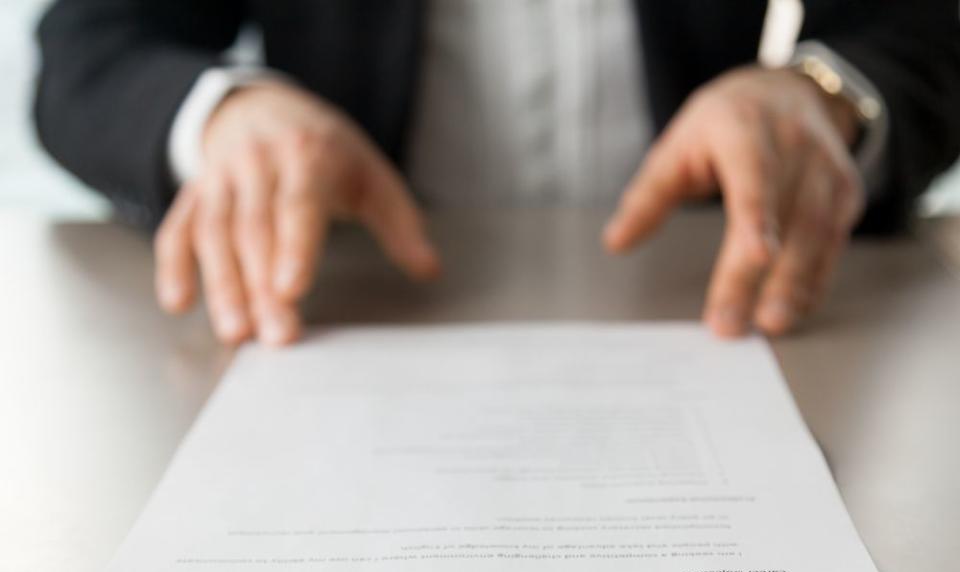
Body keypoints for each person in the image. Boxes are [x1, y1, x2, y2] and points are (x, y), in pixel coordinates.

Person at [34, 0, 960, 346]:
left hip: (726, 301)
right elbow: (89, 48)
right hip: (348, 301)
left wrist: (821, 94)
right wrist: (227, 112)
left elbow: (921, 31)